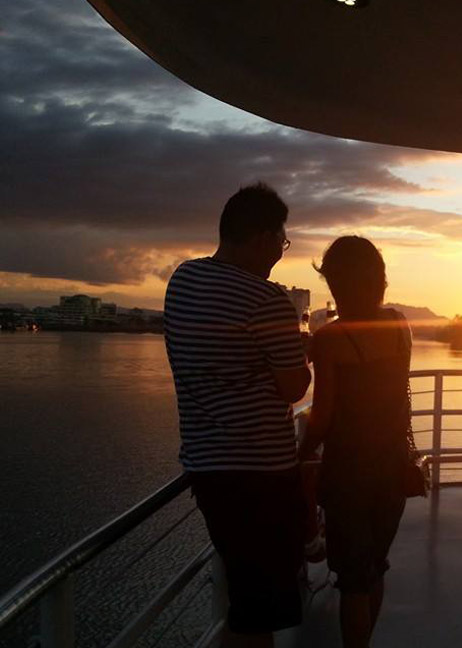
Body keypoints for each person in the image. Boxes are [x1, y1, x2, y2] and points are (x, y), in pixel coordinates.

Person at [164, 182, 311, 648]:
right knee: (258, 612)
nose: (279, 255)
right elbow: (294, 386)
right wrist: (293, 357)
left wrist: (270, 358)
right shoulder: (267, 300)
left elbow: (218, 358)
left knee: (247, 603)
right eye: (282, 243)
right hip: (259, 475)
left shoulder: (182, 280)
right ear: (266, 238)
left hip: (208, 468)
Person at [298, 236, 412, 648]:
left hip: (349, 474)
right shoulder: (401, 323)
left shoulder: (331, 338)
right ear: (378, 280)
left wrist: (301, 454)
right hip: (394, 469)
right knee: (375, 568)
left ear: (338, 284)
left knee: (352, 583)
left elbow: (324, 416)